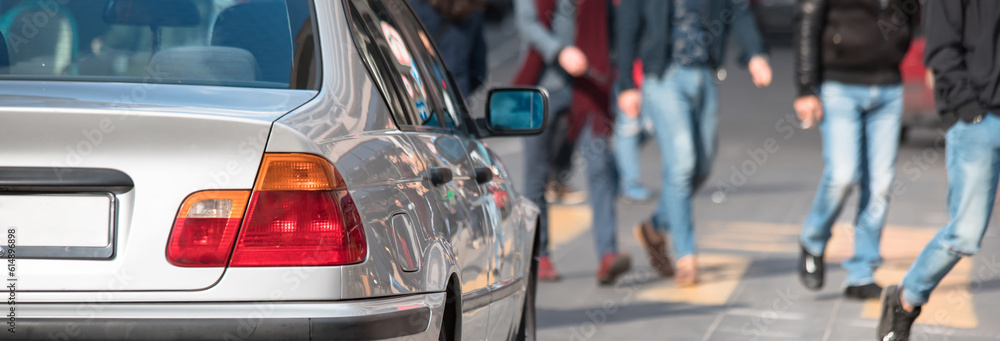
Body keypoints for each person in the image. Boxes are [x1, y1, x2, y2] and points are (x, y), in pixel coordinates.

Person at [616, 0, 772, 286]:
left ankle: (654, 227)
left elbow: (738, 9)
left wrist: (755, 54)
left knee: (701, 165)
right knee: (682, 163)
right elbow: (627, 23)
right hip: (663, 78)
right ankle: (687, 256)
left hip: (705, 75)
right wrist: (626, 84)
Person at [878, 1, 1000, 339]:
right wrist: (969, 110)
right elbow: (941, 48)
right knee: (965, 233)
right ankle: (906, 299)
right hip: (979, 119)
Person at [793, 0, 918, 300]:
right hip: (839, 84)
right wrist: (806, 88)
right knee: (842, 175)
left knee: (880, 185)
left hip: (888, 86)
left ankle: (862, 271)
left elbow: (912, 14)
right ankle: (813, 239)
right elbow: (807, 21)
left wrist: (897, 45)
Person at [514, 0, 631, 285]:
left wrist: (617, 72)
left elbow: (613, 28)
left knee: (599, 164)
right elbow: (527, 24)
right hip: (540, 86)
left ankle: (608, 254)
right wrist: (560, 50)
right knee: (536, 174)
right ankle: (539, 255)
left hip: (588, 87)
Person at [409, 0, 487, 98]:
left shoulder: (416, 7)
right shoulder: (472, 13)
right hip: (456, 95)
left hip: (420, 93)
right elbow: (478, 71)